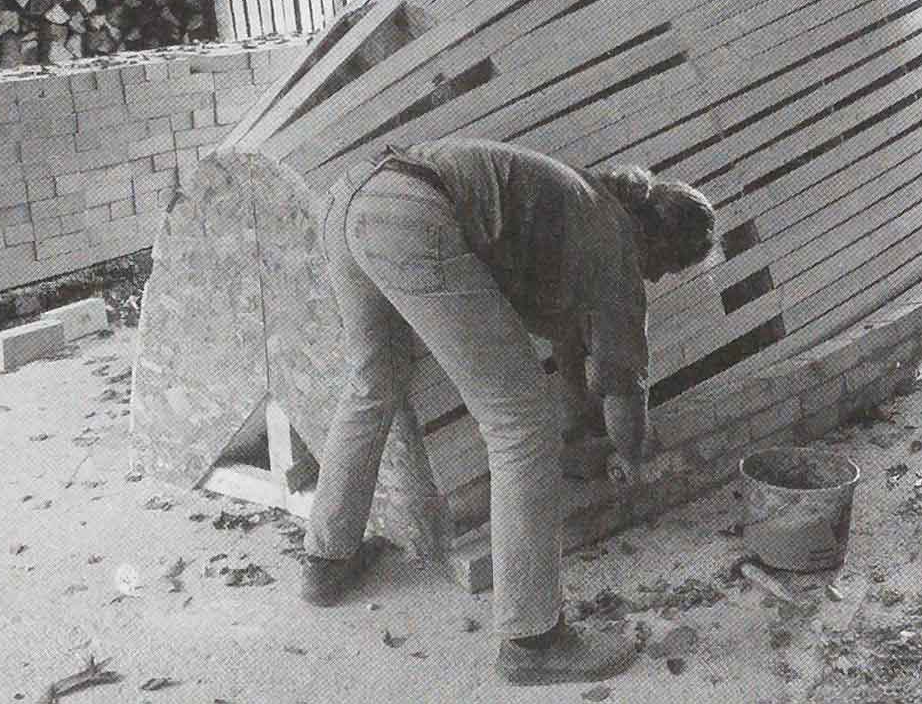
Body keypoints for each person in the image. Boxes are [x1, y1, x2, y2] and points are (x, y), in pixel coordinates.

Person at [299, 138, 716, 686]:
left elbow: (572, 348)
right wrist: (635, 455)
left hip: (354, 198)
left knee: (374, 381)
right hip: (412, 218)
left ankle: (327, 563)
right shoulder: (617, 247)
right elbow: (622, 389)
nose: (656, 280)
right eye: (664, 270)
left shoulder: (585, 203)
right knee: (521, 425)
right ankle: (533, 639)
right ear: (659, 244)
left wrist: (579, 436)